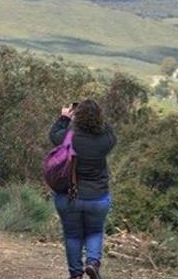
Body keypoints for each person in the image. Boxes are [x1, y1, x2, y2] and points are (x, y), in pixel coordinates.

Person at [49, 99, 116, 279]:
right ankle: (93, 262)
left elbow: (54, 134)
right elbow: (110, 131)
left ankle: (76, 274)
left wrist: (64, 117)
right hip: (98, 197)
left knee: (72, 236)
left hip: (70, 196)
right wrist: (98, 117)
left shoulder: (69, 137)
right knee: (95, 231)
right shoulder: (105, 140)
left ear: (77, 117)